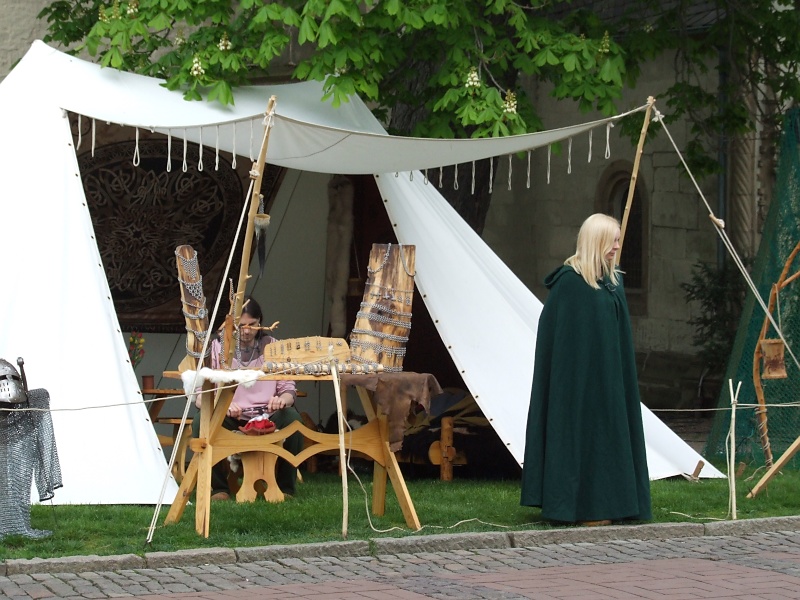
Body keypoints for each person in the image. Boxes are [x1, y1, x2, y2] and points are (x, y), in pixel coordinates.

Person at [520, 213, 651, 525]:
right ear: (596, 241)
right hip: (577, 383)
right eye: (612, 241)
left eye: (618, 240)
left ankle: (614, 505)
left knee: (610, 436)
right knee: (580, 436)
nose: (617, 246)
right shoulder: (570, 284)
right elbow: (558, 341)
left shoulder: (613, 283)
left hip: (611, 379)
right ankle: (580, 508)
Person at [192, 297, 304, 500]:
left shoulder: (274, 347)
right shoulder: (217, 348)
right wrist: (222, 405)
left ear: (260, 322)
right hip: (231, 415)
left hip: (267, 415)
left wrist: (282, 400)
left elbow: (288, 389)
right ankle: (218, 488)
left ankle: (286, 488)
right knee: (202, 421)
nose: (246, 331)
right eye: (241, 326)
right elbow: (200, 395)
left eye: (252, 325)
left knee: (293, 420)